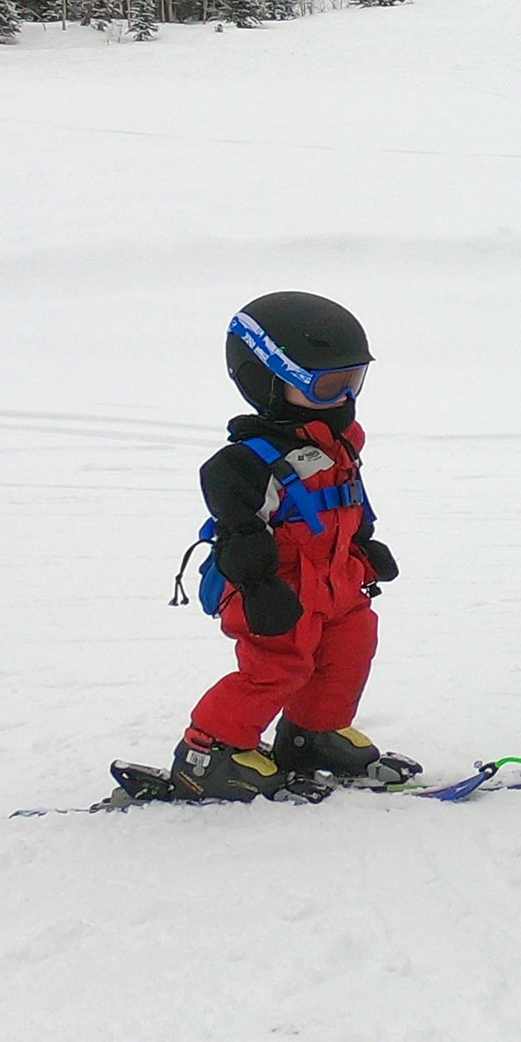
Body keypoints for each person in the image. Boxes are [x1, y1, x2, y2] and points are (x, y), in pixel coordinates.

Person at [171, 291, 405, 801]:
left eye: (352, 382)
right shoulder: (245, 465)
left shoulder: (338, 442)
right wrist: (258, 586)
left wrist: (366, 544)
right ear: (268, 379)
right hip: (281, 589)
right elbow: (240, 532)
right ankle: (210, 751)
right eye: (327, 386)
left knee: (350, 648)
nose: (344, 398)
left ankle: (312, 735)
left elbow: (348, 503)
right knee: (277, 666)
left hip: (337, 579)